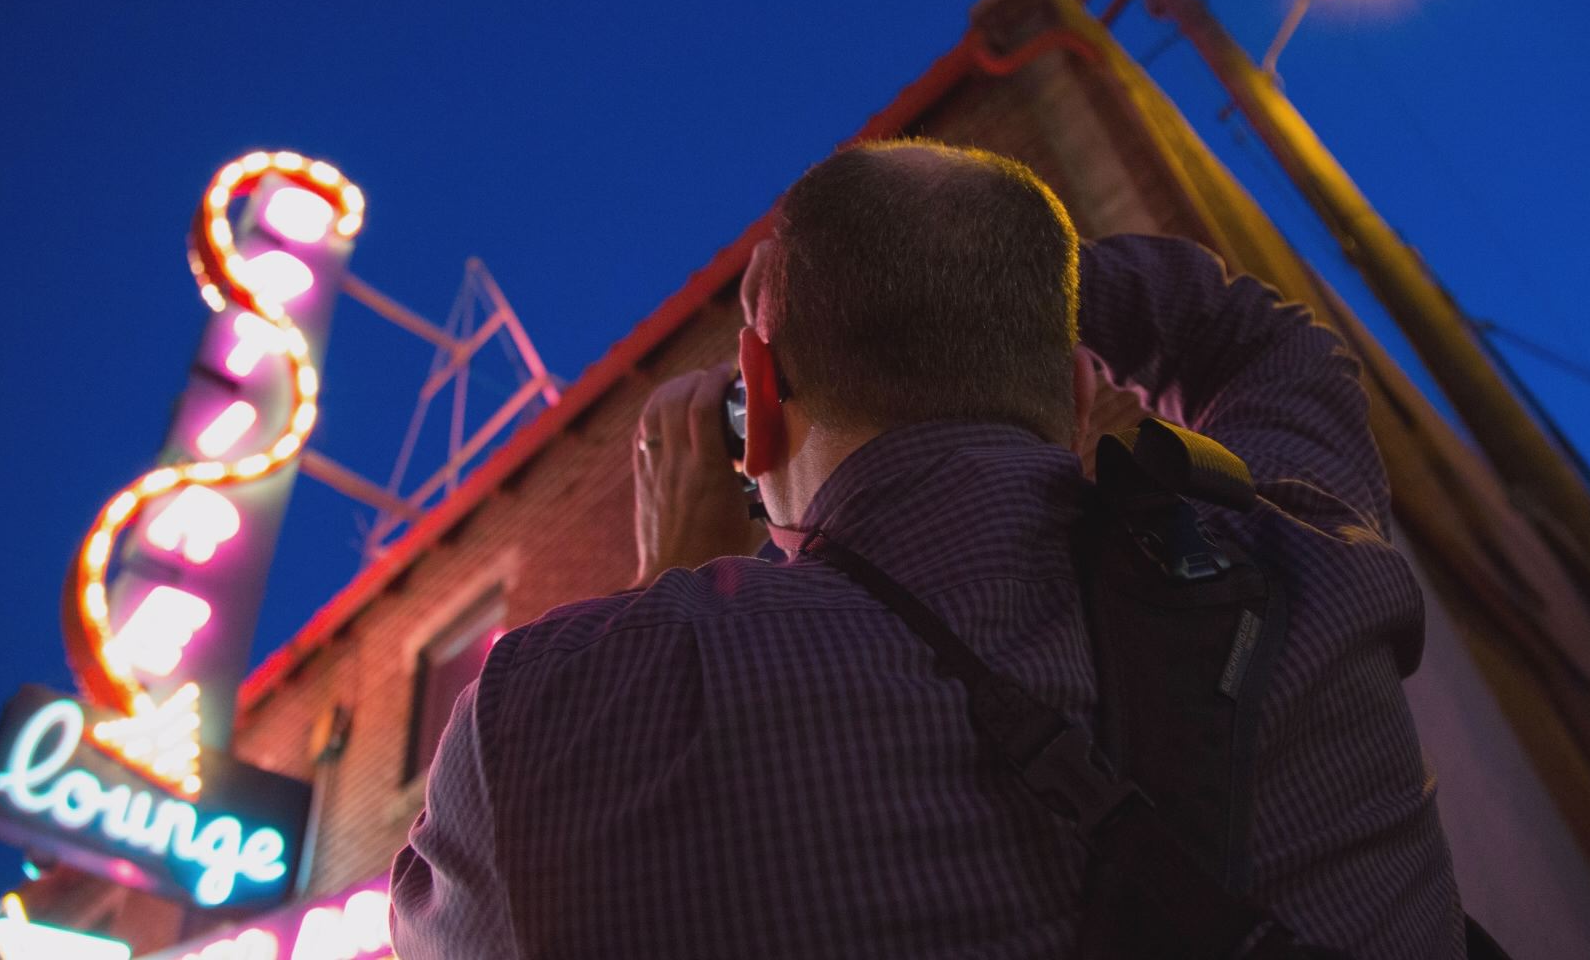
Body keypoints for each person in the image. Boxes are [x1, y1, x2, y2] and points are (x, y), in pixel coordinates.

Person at [389, 139, 1462, 957]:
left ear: (756, 404)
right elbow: (1259, 333)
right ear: (1077, 375)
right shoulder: (1305, 560)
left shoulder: (547, 721)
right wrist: (1010, 297)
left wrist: (663, 592)